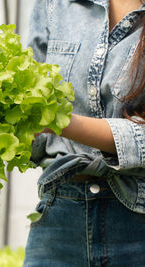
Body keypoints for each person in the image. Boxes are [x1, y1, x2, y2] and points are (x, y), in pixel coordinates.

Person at [24, 0, 145, 266]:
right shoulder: (56, 5)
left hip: (137, 220)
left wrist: (58, 120)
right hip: (59, 216)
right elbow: (29, 103)